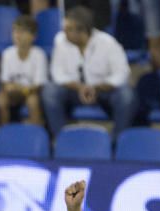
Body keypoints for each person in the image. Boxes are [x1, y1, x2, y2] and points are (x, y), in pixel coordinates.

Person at [40, 5, 135, 140]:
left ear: (82, 31)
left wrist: (96, 87)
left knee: (127, 95)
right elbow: (57, 74)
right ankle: (61, 139)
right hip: (73, 91)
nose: (64, 32)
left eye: (68, 29)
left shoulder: (108, 43)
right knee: (50, 90)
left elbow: (122, 74)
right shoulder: (60, 40)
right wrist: (80, 87)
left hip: (103, 91)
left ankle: (116, 141)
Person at [0, 13, 47, 128]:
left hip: (31, 93)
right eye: (15, 31)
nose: (17, 35)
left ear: (33, 36)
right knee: (1, 99)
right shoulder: (7, 54)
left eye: (22, 31)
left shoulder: (39, 55)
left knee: (33, 101)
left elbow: (38, 85)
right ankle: (4, 134)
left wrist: (22, 90)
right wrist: (12, 89)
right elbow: (5, 83)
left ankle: (36, 133)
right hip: (12, 93)